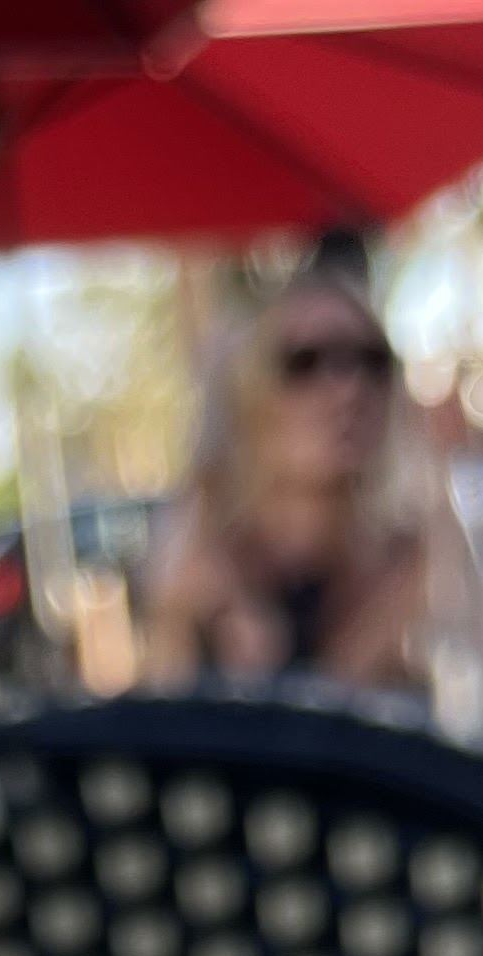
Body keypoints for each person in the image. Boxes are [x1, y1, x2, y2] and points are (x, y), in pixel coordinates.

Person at [140, 263, 426, 691]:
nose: (349, 388)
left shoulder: (417, 560)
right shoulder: (204, 574)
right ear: (249, 392)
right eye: (304, 362)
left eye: (372, 360)